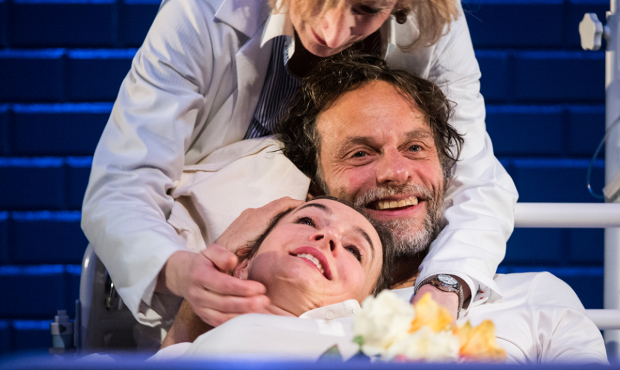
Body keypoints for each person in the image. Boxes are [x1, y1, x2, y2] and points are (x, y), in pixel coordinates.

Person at [81, 0, 518, 329]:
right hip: (209, 256)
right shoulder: (203, 13)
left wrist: (440, 293)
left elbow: (476, 181)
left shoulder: (432, 21)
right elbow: (121, 186)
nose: (330, 33)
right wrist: (179, 270)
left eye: (365, 8)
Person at [153, 55, 606, 363]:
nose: (395, 172)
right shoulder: (282, 312)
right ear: (315, 184)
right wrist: (225, 259)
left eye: (414, 147)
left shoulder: (535, 299)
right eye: (360, 154)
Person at [157, 196, 394, 360]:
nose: (328, 235)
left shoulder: (387, 347)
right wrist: (218, 261)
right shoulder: (188, 353)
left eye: (354, 250)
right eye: (307, 221)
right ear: (243, 264)